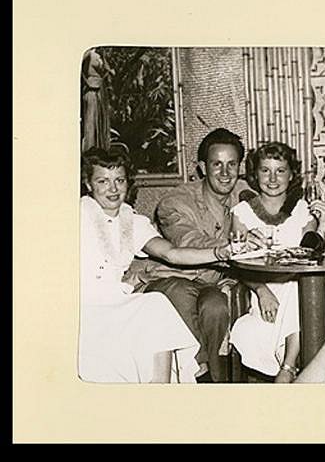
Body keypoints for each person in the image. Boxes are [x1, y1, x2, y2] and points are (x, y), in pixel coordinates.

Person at [79, 147, 233, 383]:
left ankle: (161, 386)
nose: (113, 189)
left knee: (156, 304)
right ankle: (187, 379)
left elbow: (172, 253)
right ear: (89, 185)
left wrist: (220, 252)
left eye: (119, 180)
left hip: (119, 300)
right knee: (155, 307)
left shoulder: (132, 221)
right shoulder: (76, 216)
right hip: (83, 304)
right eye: (103, 181)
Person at [129, 128, 254, 383]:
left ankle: (215, 378)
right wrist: (234, 246)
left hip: (211, 282)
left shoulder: (245, 195)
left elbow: (276, 208)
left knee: (216, 306)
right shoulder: (175, 201)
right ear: (203, 167)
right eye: (217, 164)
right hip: (169, 277)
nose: (225, 173)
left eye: (232, 164)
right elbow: (188, 241)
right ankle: (200, 373)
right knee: (182, 293)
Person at [229, 142, 325, 383]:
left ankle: (288, 365)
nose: (273, 179)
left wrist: (322, 224)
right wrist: (261, 290)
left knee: (306, 284)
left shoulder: (302, 209)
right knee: (301, 289)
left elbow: (311, 252)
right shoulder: (242, 212)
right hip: (269, 290)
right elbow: (238, 262)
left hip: (305, 286)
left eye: (280, 171)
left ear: (291, 175)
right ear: (255, 175)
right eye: (265, 170)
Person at [81, 47, 114, 151]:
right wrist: (87, 82)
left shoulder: (100, 55)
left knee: (100, 118)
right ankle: (89, 148)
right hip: (92, 88)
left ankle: (100, 148)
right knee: (91, 119)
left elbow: (110, 71)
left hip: (100, 89)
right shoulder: (88, 53)